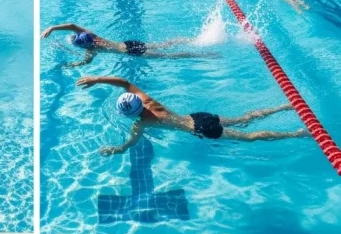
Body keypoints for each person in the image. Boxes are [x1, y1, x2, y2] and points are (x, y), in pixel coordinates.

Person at [75, 75, 308, 155]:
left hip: (200, 129)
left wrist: (117, 149)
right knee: (244, 118)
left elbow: (129, 143)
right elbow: (124, 82)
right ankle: (284, 107)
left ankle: (298, 133)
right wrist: (96, 79)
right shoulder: (148, 102)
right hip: (198, 116)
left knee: (249, 137)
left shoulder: (142, 123)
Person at [39, 22, 213, 67]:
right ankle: (193, 40)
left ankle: (202, 55)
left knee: (168, 56)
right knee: (164, 44)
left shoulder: (92, 49)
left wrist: (71, 64)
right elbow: (71, 26)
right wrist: (52, 28)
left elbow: (87, 62)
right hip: (129, 43)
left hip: (132, 52)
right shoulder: (94, 37)